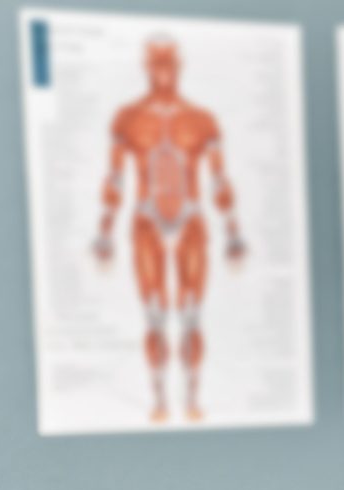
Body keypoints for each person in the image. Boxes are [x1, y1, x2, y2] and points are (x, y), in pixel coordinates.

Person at [92, 34, 245, 423]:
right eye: (156, 63)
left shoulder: (201, 120)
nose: (163, 71)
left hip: (191, 219)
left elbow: (219, 180)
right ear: (146, 67)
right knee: (156, 315)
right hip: (146, 220)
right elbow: (114, 179)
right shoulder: (128, 119)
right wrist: (105, 232)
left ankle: (192, 398)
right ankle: (160, 400)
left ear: (179, 66)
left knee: (192, 314)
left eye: (169, 64)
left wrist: (232, 232)